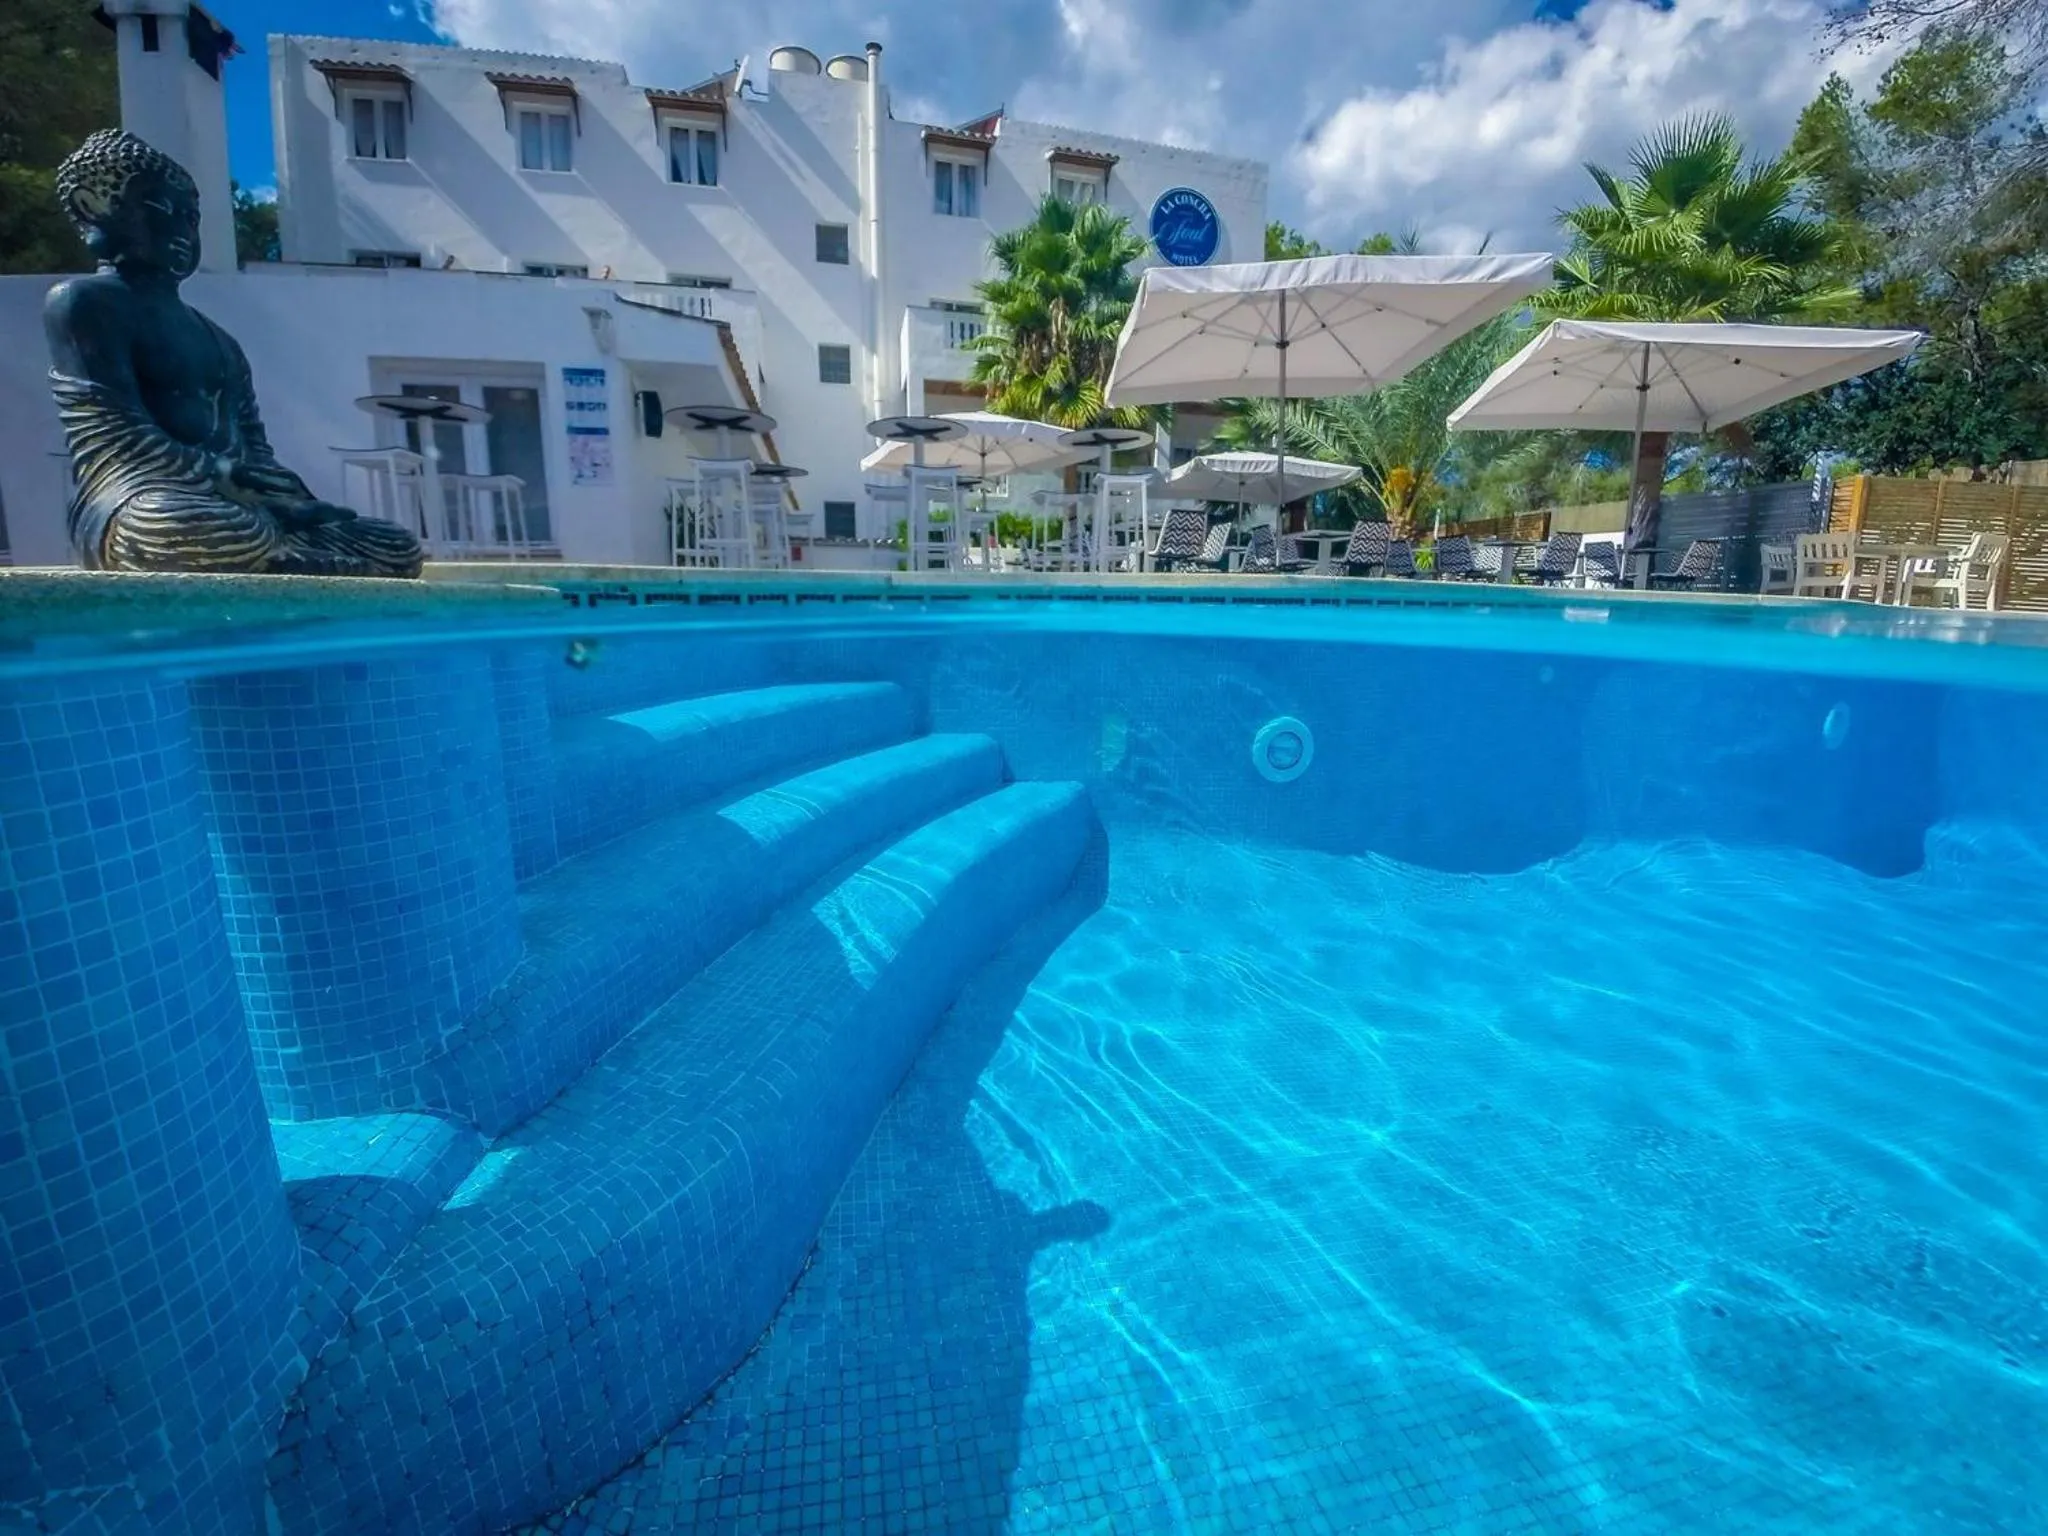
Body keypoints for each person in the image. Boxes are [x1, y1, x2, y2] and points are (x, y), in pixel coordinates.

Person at [43, 129, 423, 577]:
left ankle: (281, 554)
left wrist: (280, 492)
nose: (182, 229)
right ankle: (276, 555)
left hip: (241, 507)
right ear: (92, 207)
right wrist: (224, 474)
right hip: (142, 494)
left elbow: (253, 445)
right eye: (160, 209)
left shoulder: (220, 339)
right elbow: (117, 436)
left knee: (395, 543)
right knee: (177, 524)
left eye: (191, 216)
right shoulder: (83, 303)